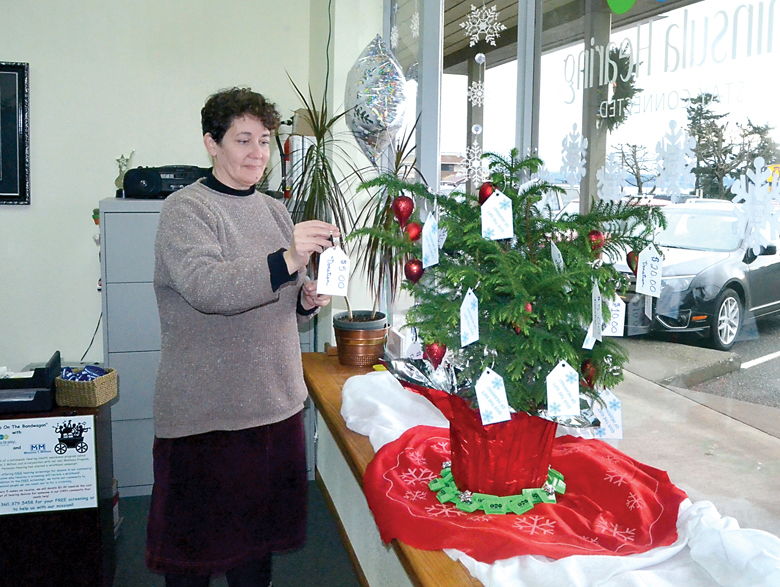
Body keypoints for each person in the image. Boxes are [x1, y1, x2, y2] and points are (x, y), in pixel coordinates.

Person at [146, 87, 339, 587]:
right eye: (243, 140)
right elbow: (207, 288)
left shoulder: (274, 210)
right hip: (208, 417)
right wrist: (288, 259)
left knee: (255, 555)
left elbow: (279, 300)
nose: (258, 153)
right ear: (212, 144)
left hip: (273, 407)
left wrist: (305, 300)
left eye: (265, 141)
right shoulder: (186, 209)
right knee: (192, 562)